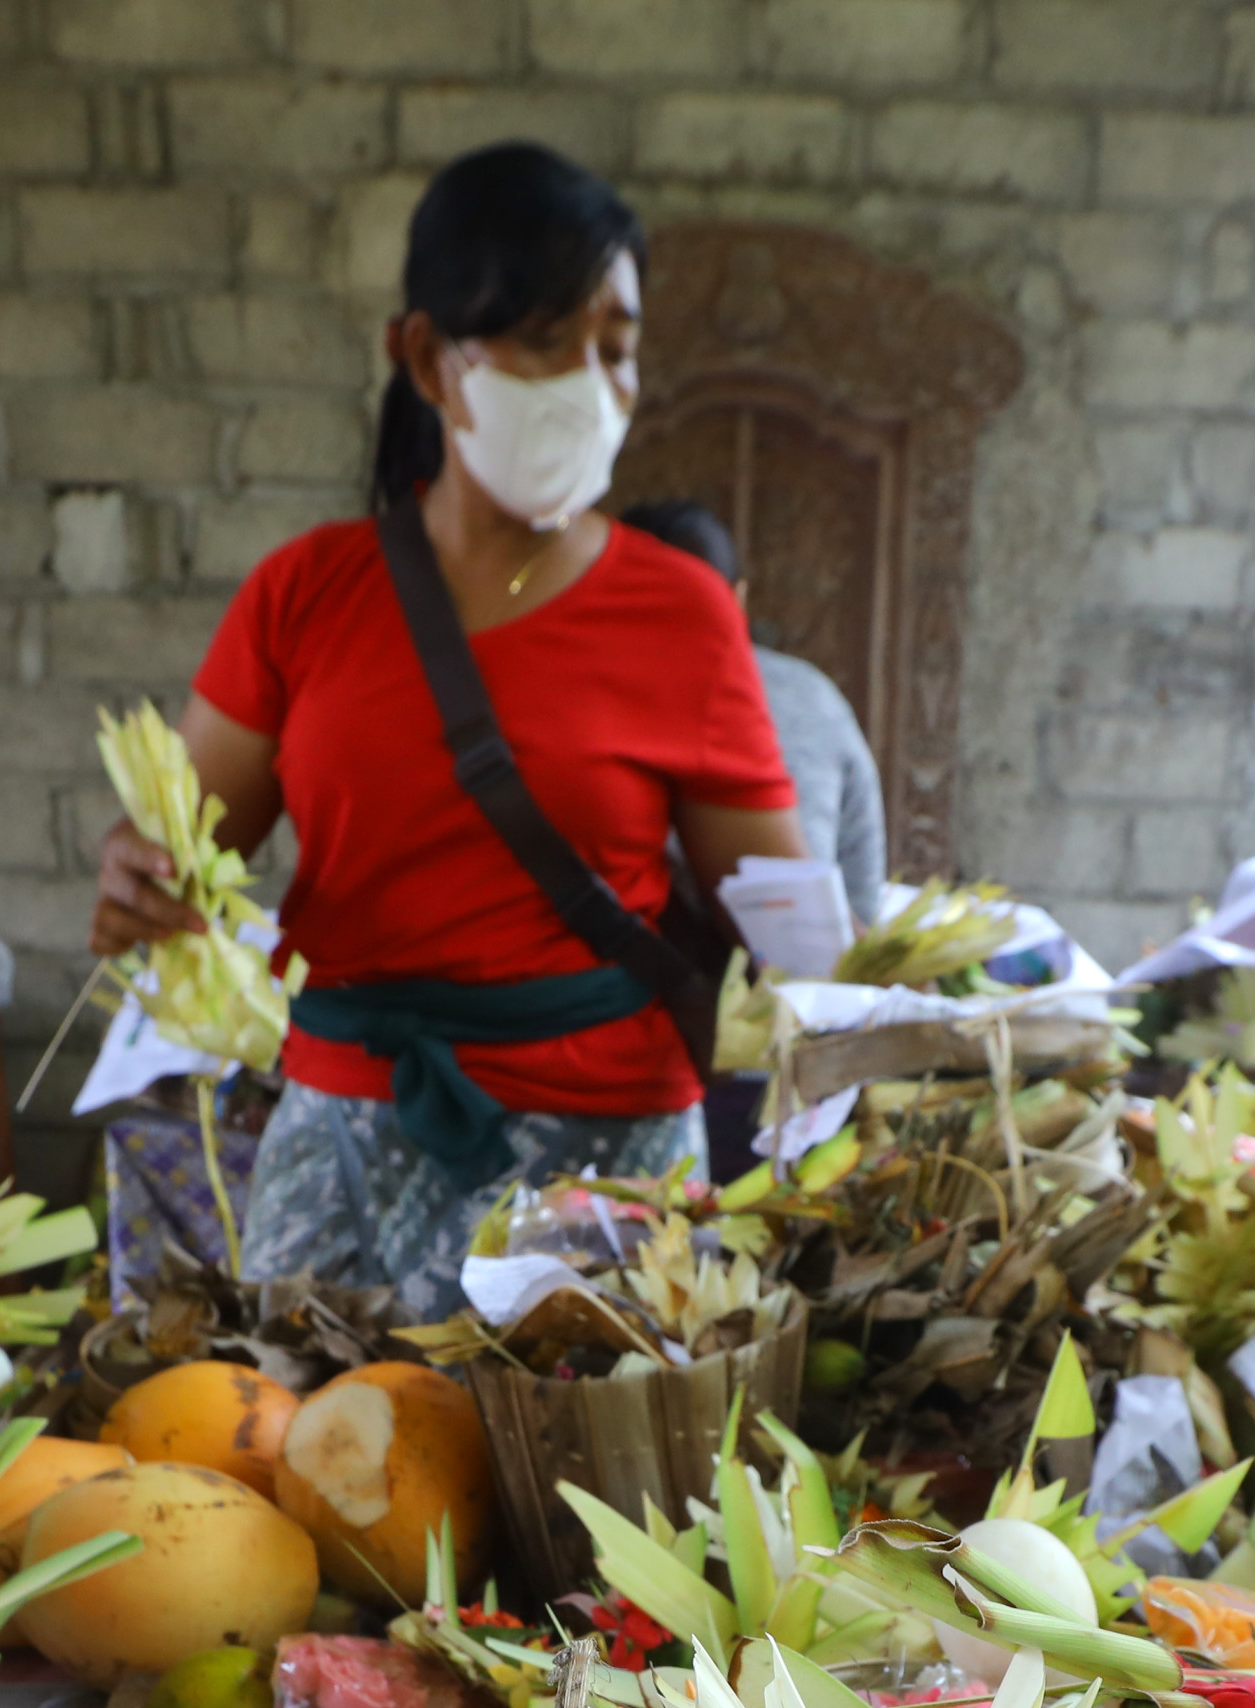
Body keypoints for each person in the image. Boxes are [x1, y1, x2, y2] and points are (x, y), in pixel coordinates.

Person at [90, 143, 803, 1316]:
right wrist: (138, 876)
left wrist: (889, 997)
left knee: (581, 1485)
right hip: (343, 1135)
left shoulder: (679, 611)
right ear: (425, 355)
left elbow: (782, 918)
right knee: (303, 1462)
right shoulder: (303, 595)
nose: (588, 383)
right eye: (542, 340)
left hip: (604, 1148)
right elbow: (181, 847)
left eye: (614, 350)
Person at [614, 497, 888, 924]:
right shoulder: (810, 694)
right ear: (737, 598)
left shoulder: (575, 701)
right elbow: (862, 900)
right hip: (797, 978)